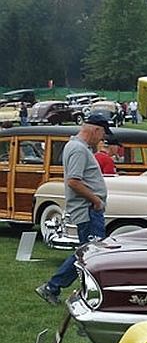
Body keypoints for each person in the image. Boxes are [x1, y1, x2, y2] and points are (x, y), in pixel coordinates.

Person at [36, 113, 112, 305]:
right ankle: (53, 287)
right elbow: (73, 181)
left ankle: (66, 288)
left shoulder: (77, 147)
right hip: (87, 209)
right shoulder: (78, 150)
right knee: (89, 253)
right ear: (95, 130)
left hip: (88, 209)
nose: (102, 139)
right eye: (102, 134)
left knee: (88, 253)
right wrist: (96, 200)